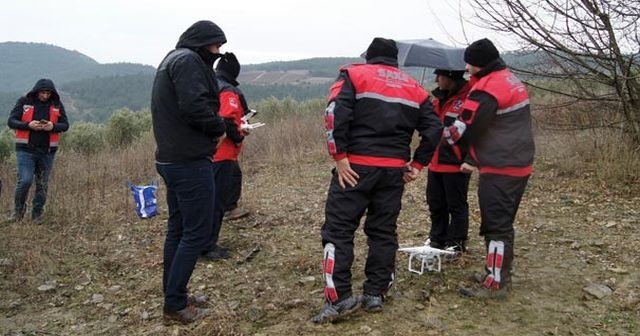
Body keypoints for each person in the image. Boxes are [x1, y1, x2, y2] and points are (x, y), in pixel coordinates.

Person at [312, 37, 443, 323]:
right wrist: (418, 164)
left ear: (370, 56)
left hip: (355, 168)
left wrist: (339, 156)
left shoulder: (353, 74)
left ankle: (339, 299)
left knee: (338, 231)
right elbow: (434, 128)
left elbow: (335, 114)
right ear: (394, 59)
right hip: (393, 171)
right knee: (383, 231)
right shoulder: (415, 88)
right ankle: (376, 292)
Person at [442, 38, 534, 299]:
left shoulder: (487, 90)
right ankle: (497, 272)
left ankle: (496, 284)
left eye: (469, 64)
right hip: (516, 159)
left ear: (479, 65)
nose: (466, 69)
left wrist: (440, 134)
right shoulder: (507, 78)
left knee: (496, 225)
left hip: (502, 164)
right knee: (502, 222)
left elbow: (466, 129)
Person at [151, 20, 227, 324]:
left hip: (172, 158)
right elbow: (194, 105)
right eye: (216, 45)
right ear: (202, 42)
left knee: (179, 230)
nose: (218, 52)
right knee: (196, 232)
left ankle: (174, 296)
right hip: (189, 160)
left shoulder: (172, 59)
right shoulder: (188, 61)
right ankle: (175, 304)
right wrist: (218, 127)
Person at [201, 52, 250, 261]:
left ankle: (202, 242)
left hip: (207, 153)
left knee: (207, 200)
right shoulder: (228, 90)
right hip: (222, 154)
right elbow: (228, 120)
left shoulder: (210, 82)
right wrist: (239, 134)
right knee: (217, 202)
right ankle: (208, 246)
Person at [7, 78, 69, 223]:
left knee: (42, 184)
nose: (45, 95)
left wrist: (52, 126)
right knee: (25, 181)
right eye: (43, 92)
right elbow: (11, 121)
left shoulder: (57, 104)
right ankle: (18, 212)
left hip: (47, 152)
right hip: (25, 151)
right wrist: (29, 125)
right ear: (37, 91)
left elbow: (65, 125)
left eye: (48, 93)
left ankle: (37, 215)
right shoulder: (24, 101)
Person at [425, 69, 472, 254]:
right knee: (436, 203)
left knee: (456, 205)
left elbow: (470, 132)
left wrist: (468, 158)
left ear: (451, 77)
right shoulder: (436, 100)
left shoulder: (468, 100)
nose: (436, 79)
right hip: (435, 161)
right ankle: (437, 239)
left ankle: (456, 243)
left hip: (456, 163)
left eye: (440, 76)